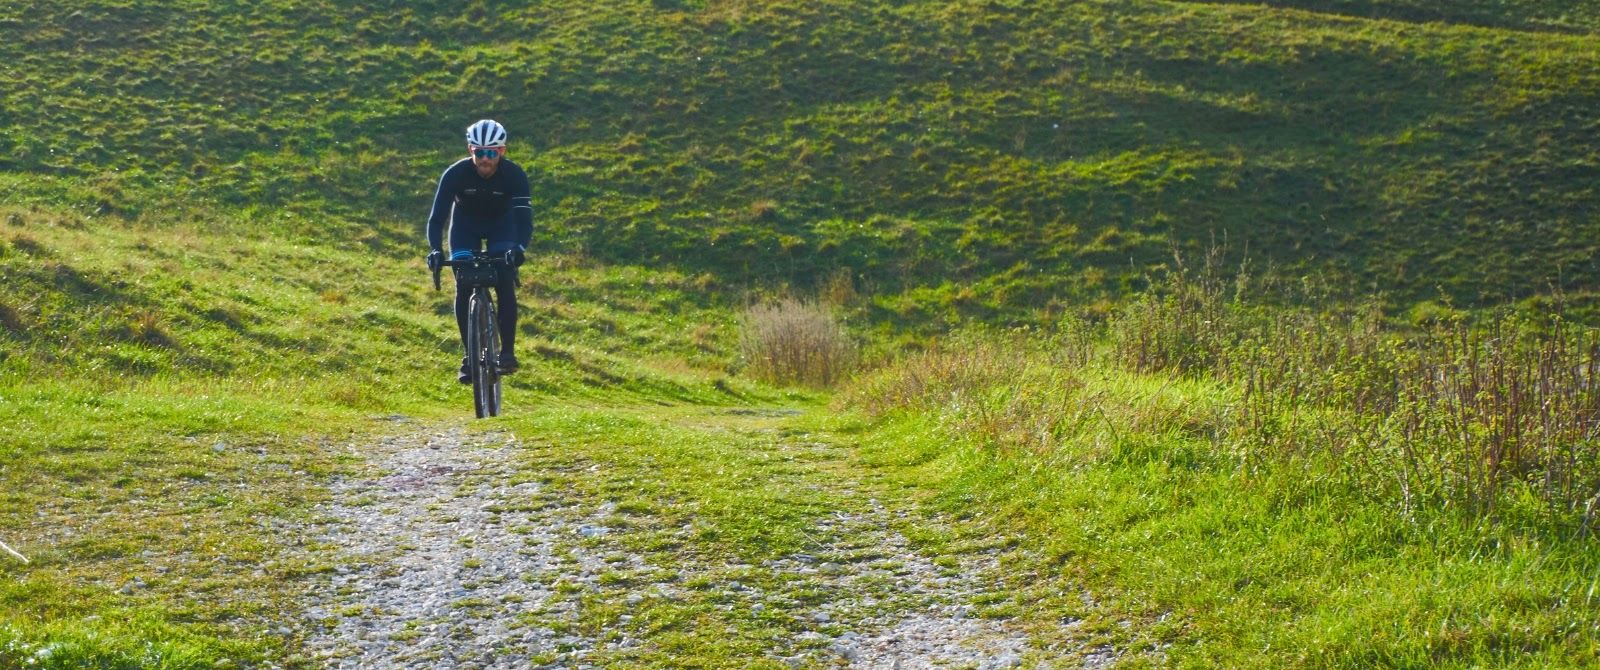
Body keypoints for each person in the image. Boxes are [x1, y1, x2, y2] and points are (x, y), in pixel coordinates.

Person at [425, 119, 532, 383]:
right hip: (465, 227)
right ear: (470, 149)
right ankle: (469, 357)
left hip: (502, 227)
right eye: (479, 152)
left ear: (502, 151)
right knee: (464, 284)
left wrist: (519, 248)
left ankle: (507, 352)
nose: (485, 159)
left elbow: (524, 221)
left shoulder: (514, 175)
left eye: (492, 153)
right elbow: (436, 218)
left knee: (504, 279)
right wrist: (436, 250)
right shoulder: (456, 174)